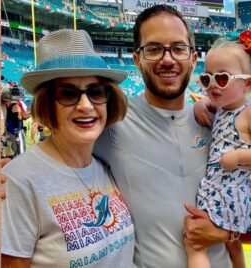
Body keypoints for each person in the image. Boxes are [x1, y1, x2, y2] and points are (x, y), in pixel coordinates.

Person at [93, 5, 231, 267]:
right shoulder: (112, 122)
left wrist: (228, 233)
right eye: (154, 49)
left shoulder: (216, 123)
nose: (167, 59)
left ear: (192, 58)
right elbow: (58, 160)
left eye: (178, 48)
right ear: (137, 59)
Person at [2, 29, 135, 267]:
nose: (86, 105)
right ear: (46, 104)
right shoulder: (19, 181)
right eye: (67, 94)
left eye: (95, 92)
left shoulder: (106, 164)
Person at [188, 39, 251, 268]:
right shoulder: (222, 107)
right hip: (216, 188)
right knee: (231, 245)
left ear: (247, 84)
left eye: (222, 78)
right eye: (207, 78)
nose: (213, 85)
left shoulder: (247, 113)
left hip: (232, 192)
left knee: (194, 243)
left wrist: (238, 158)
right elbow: (207, 101)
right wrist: (199, 105)